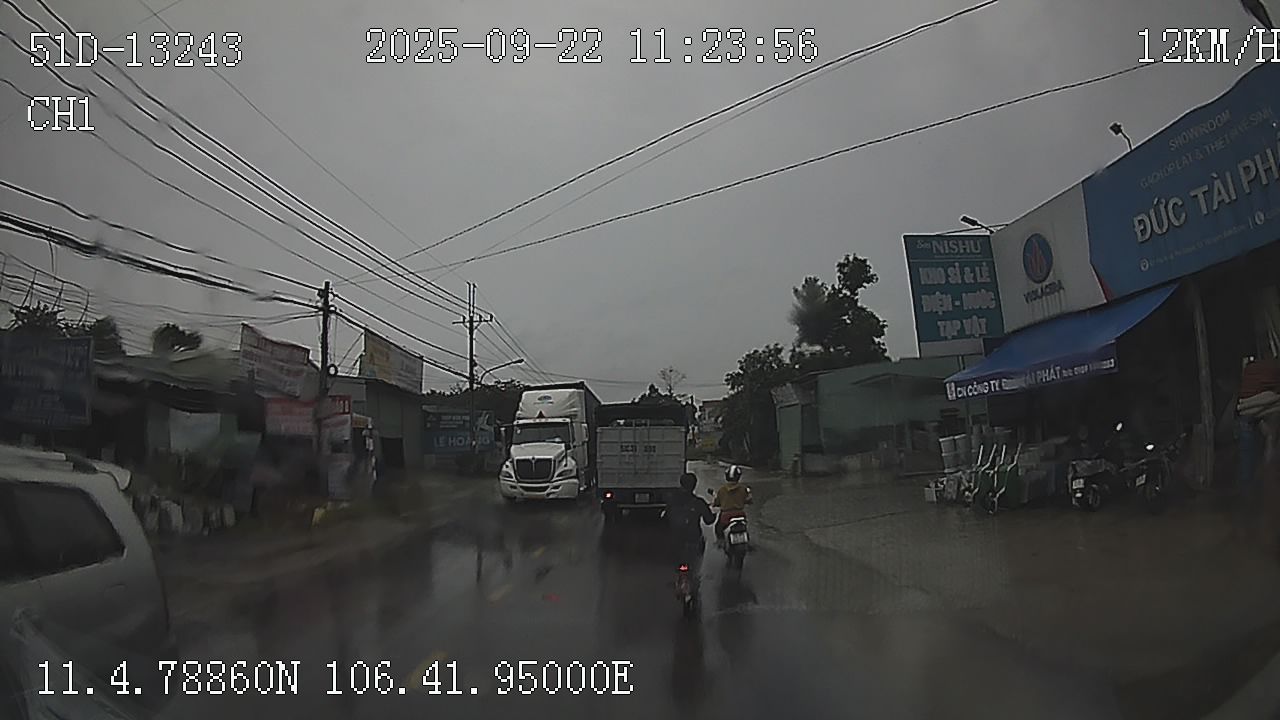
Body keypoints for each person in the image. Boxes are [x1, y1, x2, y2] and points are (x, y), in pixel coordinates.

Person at [666, 472, 715, 578]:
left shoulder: (671, 501)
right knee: (695, 565)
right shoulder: (699, 502)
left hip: (676, 540)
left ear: (681, 484)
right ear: (694, 485)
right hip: (694, 539)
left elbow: (666, 519)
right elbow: (709, 520)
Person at [712, 465, 753, 545]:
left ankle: (721, 543)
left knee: (718, 528)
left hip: (726, 516)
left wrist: (714, 503)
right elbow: (749, 500)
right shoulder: (743, 489)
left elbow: (717, 503)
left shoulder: (722, 490)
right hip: (740, 514)